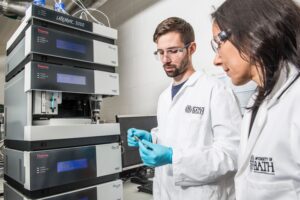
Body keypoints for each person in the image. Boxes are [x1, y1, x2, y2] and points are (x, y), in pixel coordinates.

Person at [127, 17, 241, 200]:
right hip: (165, 192)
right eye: (160, 52)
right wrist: (152, 137)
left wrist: (173, 157)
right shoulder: (164, 97)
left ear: (192, 48)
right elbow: (174, 134)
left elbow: (231, 155)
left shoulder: (216, 90)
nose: (165, 59)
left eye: (173, 51)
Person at [211, 0, 300, 199]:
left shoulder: (296, 100)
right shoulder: (257, 103)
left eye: (219, 43)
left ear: (251, 32)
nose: (216, 60)